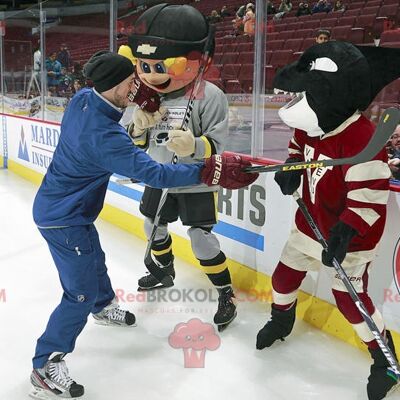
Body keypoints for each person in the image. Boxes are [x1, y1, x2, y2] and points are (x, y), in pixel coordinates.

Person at [29, 50, 257, 400]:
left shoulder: (82, 100)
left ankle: (103, 307)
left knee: (94, 259)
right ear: (117, 84)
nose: (139, 85)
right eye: (132, 81)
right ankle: (46, 363)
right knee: (79, 291)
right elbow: (156, 172)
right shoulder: (105, 136)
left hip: (67, 209)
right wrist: (207, 169)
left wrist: (137, 110)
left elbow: (120, 115)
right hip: (63, 219)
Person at [256, 41, 400, 400]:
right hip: (310, 224)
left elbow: (369, 197)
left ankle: (384, 359)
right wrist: (292, 167)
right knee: (284, 276)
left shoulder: (362, 139)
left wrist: (346, 231)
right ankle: (281, 319)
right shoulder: (315, 121)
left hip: (348, 238)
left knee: (350, 300)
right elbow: (298, 145)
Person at [127, 3, 241, 331]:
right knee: (152, 227)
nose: (151, 74)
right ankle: (164, 271)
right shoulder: (149, 96)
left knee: (201, 239)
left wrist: (195, 146)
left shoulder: (210, 95)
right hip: (159, 176)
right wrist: (137, 127)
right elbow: (139, 144)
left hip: (195, 180)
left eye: (160, 65)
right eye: (144, 66)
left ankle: (225, 293)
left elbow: (218, 144)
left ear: (195, 61)